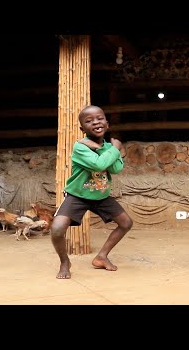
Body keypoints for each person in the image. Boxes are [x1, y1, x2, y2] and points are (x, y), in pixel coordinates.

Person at [51, 105, 133, 279]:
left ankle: (101, 256)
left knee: (126, 223)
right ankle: (65, 262)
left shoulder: (107, 147)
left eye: (99, 118)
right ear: (82, 128)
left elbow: (117, 168)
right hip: (77, 195)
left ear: (107, 123)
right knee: (57, 229)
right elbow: (99, 165)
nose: (95, 122)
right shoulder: (80, 147)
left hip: (100, 195)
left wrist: (109, 149)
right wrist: (115, 148)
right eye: (89, 121)